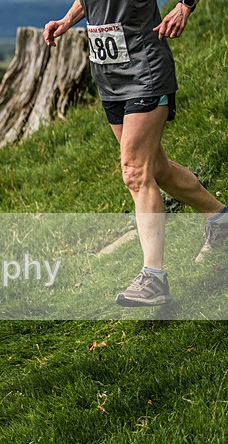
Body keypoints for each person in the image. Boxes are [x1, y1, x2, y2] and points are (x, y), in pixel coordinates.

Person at [44, 0, 228, 306]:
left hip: (145, 72)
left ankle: (153, 278)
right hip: (109, 79)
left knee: (134, 172)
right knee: (158, 169)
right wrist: (67, 20)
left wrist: (185, 6)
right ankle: (221, 220)